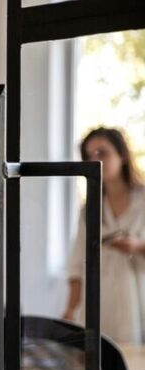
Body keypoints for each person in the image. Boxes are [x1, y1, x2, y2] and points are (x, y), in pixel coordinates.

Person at [62, 127, 145, 344]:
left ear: (123, 155)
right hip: (98, 301)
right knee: (95, 365)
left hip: (136, 300)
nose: (95, 160)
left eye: (102, 153)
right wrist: (70, 308)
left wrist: (137, 246)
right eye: (89, 156)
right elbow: (77, 264)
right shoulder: (89, 208)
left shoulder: (143, 201)